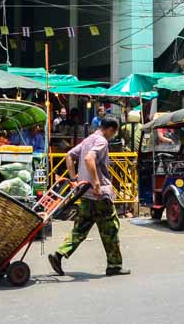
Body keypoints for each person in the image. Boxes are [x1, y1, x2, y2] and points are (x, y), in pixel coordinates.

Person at [47, 116, 129, 278]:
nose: (113, 136)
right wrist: (97, 183)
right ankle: (114, 265)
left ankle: (59, 255)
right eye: (114, 133)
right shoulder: (102, 141)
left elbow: (69, 155)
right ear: (111, 129)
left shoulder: (88, 139)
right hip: (100, 195)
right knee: (110, 229)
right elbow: (88, 158)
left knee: (80, 229)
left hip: (85, 194)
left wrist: (73, 179)